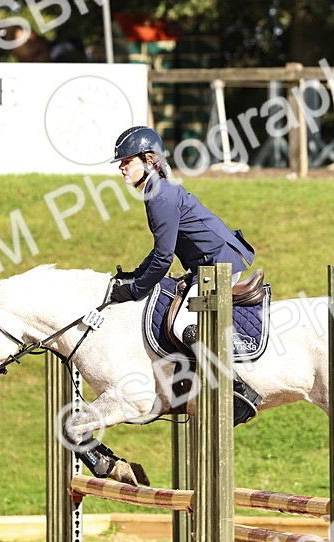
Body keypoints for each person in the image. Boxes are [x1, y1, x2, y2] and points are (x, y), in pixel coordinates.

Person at [108, 125, 262, 424]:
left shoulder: (160, 196)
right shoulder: (158, 190)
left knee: (183, 324)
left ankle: (238, 390)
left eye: (127, 161)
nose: (122, 168)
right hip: (207, 264)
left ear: (149, 160)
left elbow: (164, 257)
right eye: (121, 163)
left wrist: (136, 289)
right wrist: (135, 275)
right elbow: (160, 249)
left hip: (218, 265)